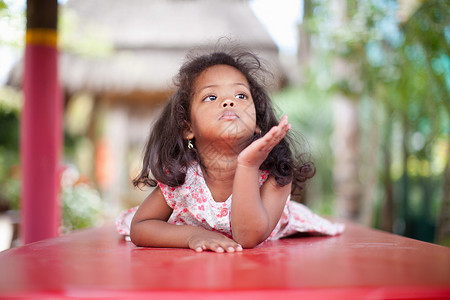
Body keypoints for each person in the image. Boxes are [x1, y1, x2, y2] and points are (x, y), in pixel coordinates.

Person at [116, 45, 344, 253]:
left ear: (257, 123)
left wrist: (248, 164)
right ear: (188, 127)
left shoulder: (275, 174)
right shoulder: (184, 179)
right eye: (211, 97)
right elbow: (141, 227)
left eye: (241, 95)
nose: (228, 102)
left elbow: (247, 237)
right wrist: (193, 235)